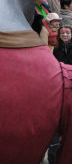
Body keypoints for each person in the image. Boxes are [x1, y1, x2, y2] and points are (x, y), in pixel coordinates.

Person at [49, 25, 72, 163]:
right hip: (60, 82)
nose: (65, 36)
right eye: (62, 33)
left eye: (67, 33)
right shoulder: (56, 49)